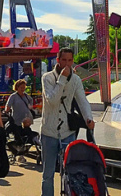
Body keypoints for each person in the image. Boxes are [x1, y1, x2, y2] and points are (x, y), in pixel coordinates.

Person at [40, 48, 94, 196]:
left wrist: (88, 118)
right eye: (64, 60)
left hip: (67, 131)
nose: (67, 64)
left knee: (71, 172)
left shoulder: (76, 80)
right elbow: (52, 100)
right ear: (58, 60)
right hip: (49, 132)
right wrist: (62, 79)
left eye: (70, 60)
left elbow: (82, 100)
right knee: (48, 174)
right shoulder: (47, 78)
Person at [4, 79, 37, 153]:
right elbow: (8, 106)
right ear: (17, 87)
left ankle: (25, 148)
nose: (23, 89)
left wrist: (30, 107)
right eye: (21, 87)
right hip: (16, 119)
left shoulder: (26, 96)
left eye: (24, 87)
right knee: (18, 136)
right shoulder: (13, 96)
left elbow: (31, 101)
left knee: (27, 135)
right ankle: (19, 150)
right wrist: (6, 111)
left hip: (26, 119)